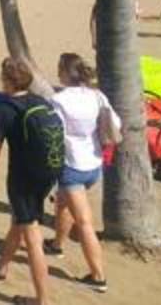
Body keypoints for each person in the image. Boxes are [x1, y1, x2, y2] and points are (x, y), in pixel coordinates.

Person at [0, 57, 62, 305]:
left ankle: (43, 300)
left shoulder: (5, 110)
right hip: (48, 175)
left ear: (7, 82)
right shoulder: (40, 102)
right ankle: (2, 266)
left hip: (23, 179)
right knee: (21, 220)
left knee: (32, 235)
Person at [45, 53, 117, 294]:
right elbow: (115, 126)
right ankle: (56, 245)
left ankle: (98, 277)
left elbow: (53, 134)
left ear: (65, 73)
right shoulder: (98, 96)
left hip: (72, 166)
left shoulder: (59, 100)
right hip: (94, 164)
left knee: (84, 222)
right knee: (63, 204)